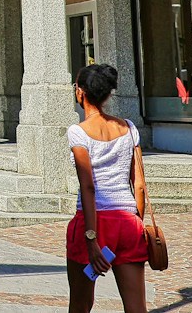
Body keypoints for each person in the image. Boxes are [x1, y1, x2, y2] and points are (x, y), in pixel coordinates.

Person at [66, 63, 149, 313]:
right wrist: (137, 223)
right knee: (136, 307)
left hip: (92, 222)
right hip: (128, 221)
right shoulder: (128, 128)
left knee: (80, 304)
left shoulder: (78, 133)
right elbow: (140, 185)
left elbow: (88, 186)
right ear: (107, 94)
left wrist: (91, 238)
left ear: (80, 92)